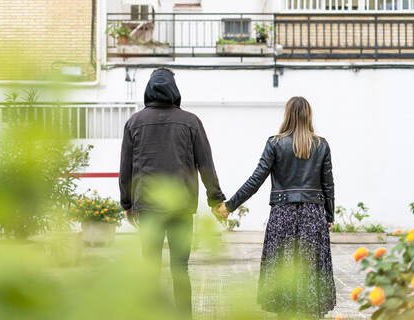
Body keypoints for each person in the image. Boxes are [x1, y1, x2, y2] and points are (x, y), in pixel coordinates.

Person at [119, 67, 228, 319]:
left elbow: (125, 169)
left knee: (149, 268)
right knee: (180, 269)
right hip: (181, 208)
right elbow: (206, 164)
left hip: (147, 208)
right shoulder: (191, 121)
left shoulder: (134, 122)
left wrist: (127, 203)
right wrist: (215, 200)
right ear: (174, 90)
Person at [218, 96, 336, 319]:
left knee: (282, 267)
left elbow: (256, 180)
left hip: (283, 213)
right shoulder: (321, 145)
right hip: (313, 214)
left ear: (287, 115)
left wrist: (230, 206)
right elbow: (328, 184)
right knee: (311, 269)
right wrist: (329, 215)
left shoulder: (274, 143)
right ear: (308, 115)